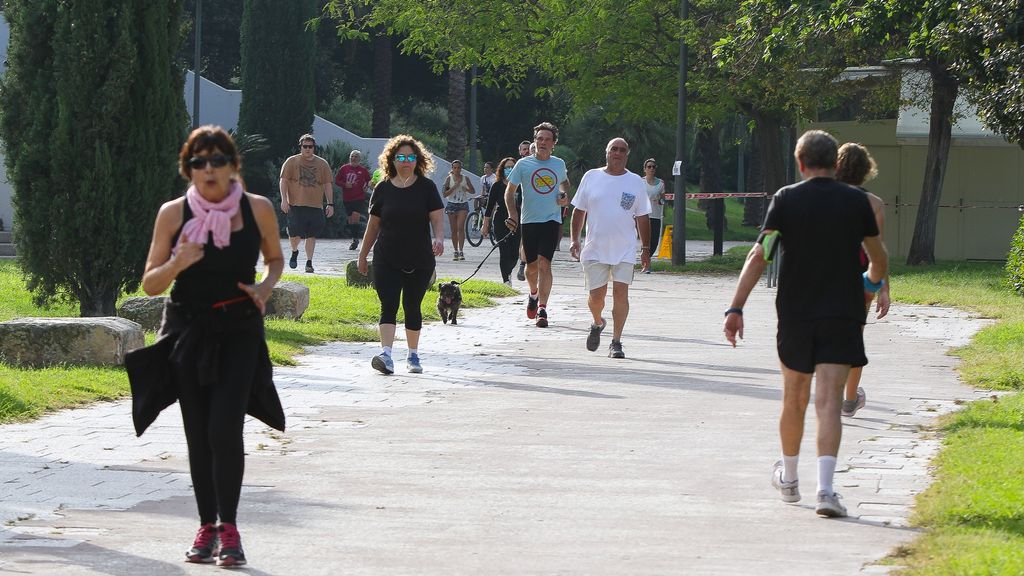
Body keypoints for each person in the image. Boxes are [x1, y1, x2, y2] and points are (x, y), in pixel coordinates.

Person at [139, 125, 285, 566]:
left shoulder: (257, 208)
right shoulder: (172, 213)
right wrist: (177, 261)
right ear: (189, 168)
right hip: (187, 331)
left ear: (232, 165)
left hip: (239, 328)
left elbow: (275, 258)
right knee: (199, 433)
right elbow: (149, 284)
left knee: (225, 428)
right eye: (198, 161)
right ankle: (206, 526)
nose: (208, 169)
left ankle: (231, 528)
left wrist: (265, 287)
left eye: (217, 160)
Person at [723, 130, 888, 518]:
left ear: (800, 163)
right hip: (842, 313)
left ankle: (790, 480)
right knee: (830, 400)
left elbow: (760, 254)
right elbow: (878, 258)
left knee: (794, 398)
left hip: (796, 313)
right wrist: (870, 286)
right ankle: (827, 490)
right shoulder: (856, 202)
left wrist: (736, 308)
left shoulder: (786, 199)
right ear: (835, 163)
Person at [358, 135, 444, 374]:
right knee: (388, 305)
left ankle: (413, 355)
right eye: (401, 157)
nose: (405, 162)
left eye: (410, 157)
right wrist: (363, 255)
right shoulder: (383, 187)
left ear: (417, 160)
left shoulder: (427, 187)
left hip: (419, 257)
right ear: (392, 160)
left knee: (412, 305)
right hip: (386, 257)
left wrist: (438, 238)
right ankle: (386, 355)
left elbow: (437, 217)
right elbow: (373, 225)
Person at [569, 138, 651, 358]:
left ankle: (616, 342)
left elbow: (643, 216)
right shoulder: (591, 177)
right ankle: (597, 322)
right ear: (606, 152)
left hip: (624, 249)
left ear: (627, 155)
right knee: (597, 298)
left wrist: (646, 248)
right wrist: (574, 239)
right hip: (595, 248)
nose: (617, 153)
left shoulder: (635, 182)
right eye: (613, 149)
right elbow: (579, 211)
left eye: (622, 150)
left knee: (621, 292)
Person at [835, 142, 890, 417]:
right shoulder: (874, 203)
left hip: (827, 277)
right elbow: (878, 250)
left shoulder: (822, 197)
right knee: (854, 339)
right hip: (861, 280)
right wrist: (884, 289)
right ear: (867, 168)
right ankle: (848, 399)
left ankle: (831, 393)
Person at [504, 122, 571, 327]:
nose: (542, 142)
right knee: (530, 268)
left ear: (554, 143)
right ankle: (533, 294)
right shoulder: (523, 165)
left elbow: (565, 184)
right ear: (535, 141)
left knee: (545, 263)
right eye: (539, 139)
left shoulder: (558, 164)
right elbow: (510, 191)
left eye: (547, 139)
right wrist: (512, 214)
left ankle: (542, 308)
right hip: (529, 220)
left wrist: (564, 196)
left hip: (551, 220)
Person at [279, 134, 334, 273]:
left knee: (311, 235)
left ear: (314, 147)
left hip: (315, 206)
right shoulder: (291, 161)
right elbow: (283, 181)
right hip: (296, 205)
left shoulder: (322, 164)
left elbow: (327, 184)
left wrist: (330, 204)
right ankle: (294, 251)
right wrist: (284, 199)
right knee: (294, 235)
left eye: (311, 146)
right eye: (305, 146)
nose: (308, 149)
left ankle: (309, 262)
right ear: (301, 147)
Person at [480, 157, 521, 285]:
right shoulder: (497, 185)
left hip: (517, 221)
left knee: (514, 254)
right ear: (502, 170)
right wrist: (485, 225)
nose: (509, 170)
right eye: (507, 167)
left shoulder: (521, 186)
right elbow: (490, 206)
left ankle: (508, 271)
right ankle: (506, 280)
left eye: (512, 167)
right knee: (504, 250)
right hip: (500, 220)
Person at [336, 149, 372, 251]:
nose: (353, 158)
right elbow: (337, 180)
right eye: (352, 156)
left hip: (358, 197)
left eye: (356, 156)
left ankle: (355, 239)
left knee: (355, 217)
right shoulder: (344, 169)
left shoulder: (363, 170)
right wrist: (345, 184)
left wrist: (367, 186)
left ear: (359, 159)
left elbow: (369, 180)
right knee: (350, 219)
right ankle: (354, 237)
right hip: (347, 198)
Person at [442, 159, 476, 260]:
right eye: (455, 168)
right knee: (454, 230)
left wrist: (467, 189)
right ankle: (455, 250)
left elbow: (473, 190)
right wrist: (454, 187)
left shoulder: (465, 178)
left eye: (459, 168)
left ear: (461, 168)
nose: (457, 170)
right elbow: (444, 194)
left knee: (460, 227)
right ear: (452, 169)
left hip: (463, 205)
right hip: (452, 204)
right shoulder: (449, 179)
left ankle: (461, 251)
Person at [641, 158, 666, 273]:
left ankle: (647, 260)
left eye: (653, 167)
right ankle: (646, 264)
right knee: (645, 241)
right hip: (643, 215)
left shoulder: (660, 184)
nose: (651, 169)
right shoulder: (641, 182)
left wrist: (661, 200)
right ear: (645, 169)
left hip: (656, 215)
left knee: (654, 241)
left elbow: (663, 199)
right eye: (649, 167)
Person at [515, 141, 532, 281]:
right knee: (524, 236)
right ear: (520, 151)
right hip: (522, 205)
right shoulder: (518, 166)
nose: (526, 152)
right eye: (524, 149)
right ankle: (522, 263)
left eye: (529, 149)